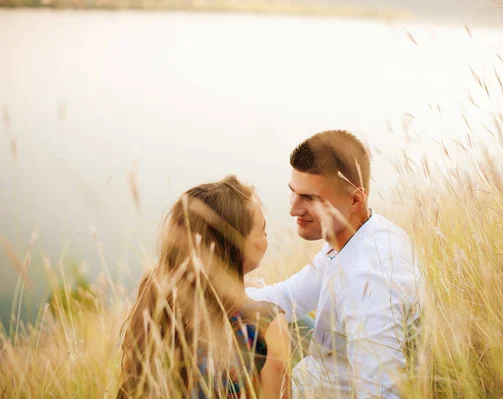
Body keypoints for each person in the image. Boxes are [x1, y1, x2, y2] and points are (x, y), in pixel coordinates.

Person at [246, 130, 420, 398]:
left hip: (320, 391)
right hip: (316, 372)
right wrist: (215, 295)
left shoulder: (369, 281)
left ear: (355, 200)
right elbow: (290, 296)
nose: (293, 209)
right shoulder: (352, 235)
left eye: (310, 198)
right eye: (293, 193)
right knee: (254, 297)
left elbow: (381, 393)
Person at [118, 176, 291, 399]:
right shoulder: (268, 325)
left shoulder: (160, 305)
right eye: (262, 230)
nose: (266, 235)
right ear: (235, 246)